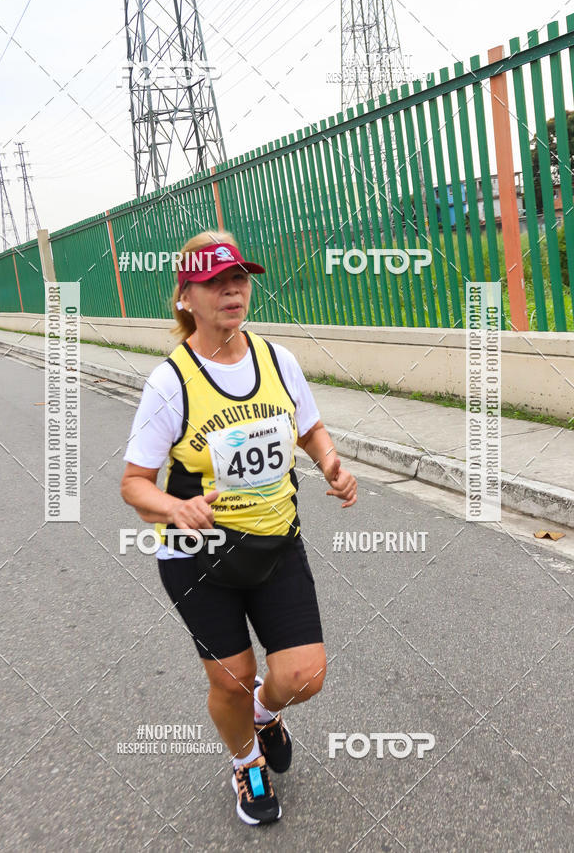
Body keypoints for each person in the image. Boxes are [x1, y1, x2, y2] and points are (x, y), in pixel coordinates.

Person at [120, 230, 357, 826]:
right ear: (185, 299)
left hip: (276, 543)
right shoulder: (170, 383)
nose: (231, 290)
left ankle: (263, 712)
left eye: (239, 278)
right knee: (232, 677)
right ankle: (246, 759)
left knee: (303, 677)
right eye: (214, 281)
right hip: (198, 557)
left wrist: (329, 460)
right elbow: (134, 484)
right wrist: (175, 509)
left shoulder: (279, 360)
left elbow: (310, 427)